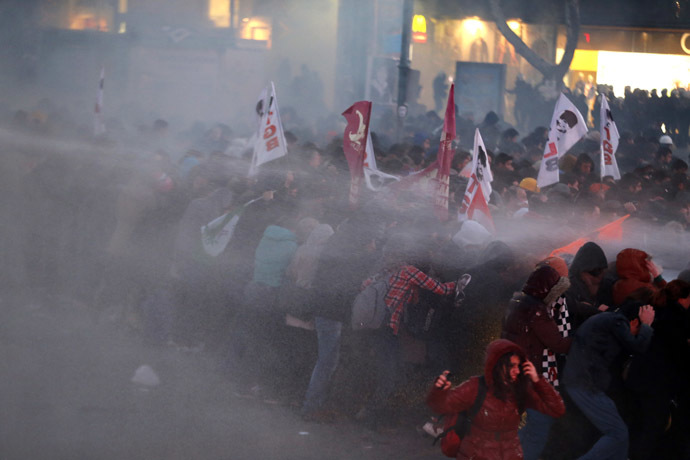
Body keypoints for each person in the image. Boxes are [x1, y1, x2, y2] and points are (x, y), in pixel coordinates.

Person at [427, 339, 565, 460]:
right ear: (497, 366)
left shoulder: (520, 390)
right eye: (511, 366)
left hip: (511, 455)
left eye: (518, 366)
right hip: (477, 455)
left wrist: (538, 381)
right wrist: (439, 390)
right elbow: (440, 406)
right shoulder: (476, 387)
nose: (517, 371)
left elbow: (557, 409)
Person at [563, 302, 655, 460]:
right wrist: (646, 325)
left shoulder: (607, 322)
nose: (635, 334)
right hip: (585, 384)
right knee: (618, 433)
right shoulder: (617, 322)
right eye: (638, 330)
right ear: (633, 322)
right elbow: (637, 347)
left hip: (584, 382)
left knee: (618, 432)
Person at [501, 264, 572, 460]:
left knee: (530, 425)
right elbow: (558, 344)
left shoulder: (516, 301)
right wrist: (585, 338)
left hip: (514, 370)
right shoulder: (536, 310)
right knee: (540, 426)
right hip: (531, 374)